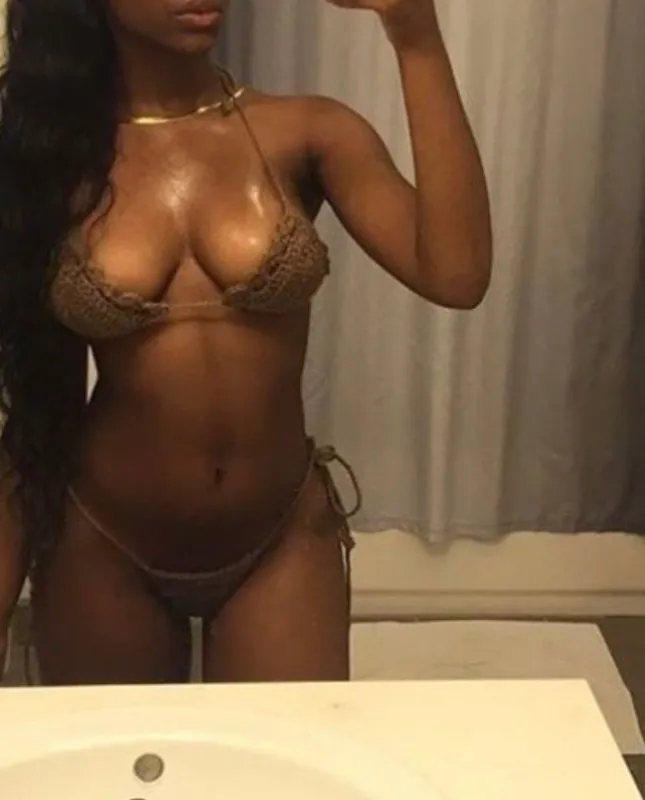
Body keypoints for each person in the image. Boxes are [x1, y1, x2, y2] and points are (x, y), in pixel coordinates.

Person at [0, 0, 491, 685]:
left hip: (278, 536)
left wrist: (415, 39)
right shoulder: (45, 153)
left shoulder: (306, 131)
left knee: (290, 749)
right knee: (116, 755)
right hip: (103, 537)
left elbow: (456, 274)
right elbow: (30, 407)